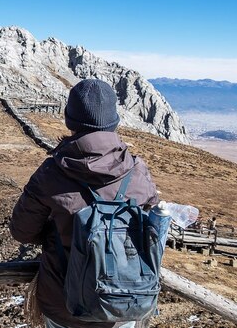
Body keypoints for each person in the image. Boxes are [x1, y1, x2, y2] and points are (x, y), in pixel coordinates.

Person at [10, 79, 159, 328]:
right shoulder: (137, 170)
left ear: (70, 119)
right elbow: (151, 227)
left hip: (66, 306)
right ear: (114, 120)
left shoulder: (51, 173)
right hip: (124, 304)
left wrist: (61, 231)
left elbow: (21, 231)